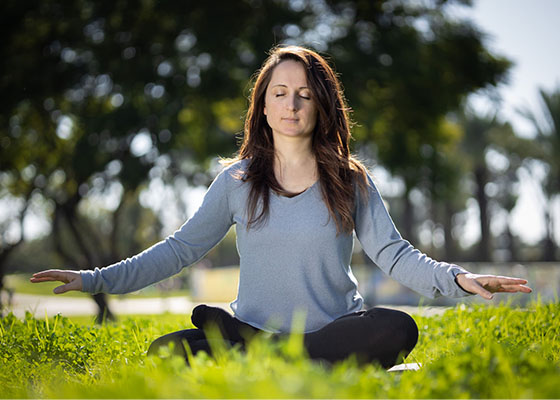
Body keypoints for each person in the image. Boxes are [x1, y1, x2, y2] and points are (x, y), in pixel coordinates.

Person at [31, 45, 532, 369]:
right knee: (166, 352)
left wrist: (460, 279)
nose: (292, 105)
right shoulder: (236, 181)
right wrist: (95, 279)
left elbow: (397, 256)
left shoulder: (349, 180)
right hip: (255, 326)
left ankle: (268, 354)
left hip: (333, 332)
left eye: (305, 96)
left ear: (320, 106)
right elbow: (179, 250)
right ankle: (273, 351)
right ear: (264, 106)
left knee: (399, 327)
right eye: (281, 93)